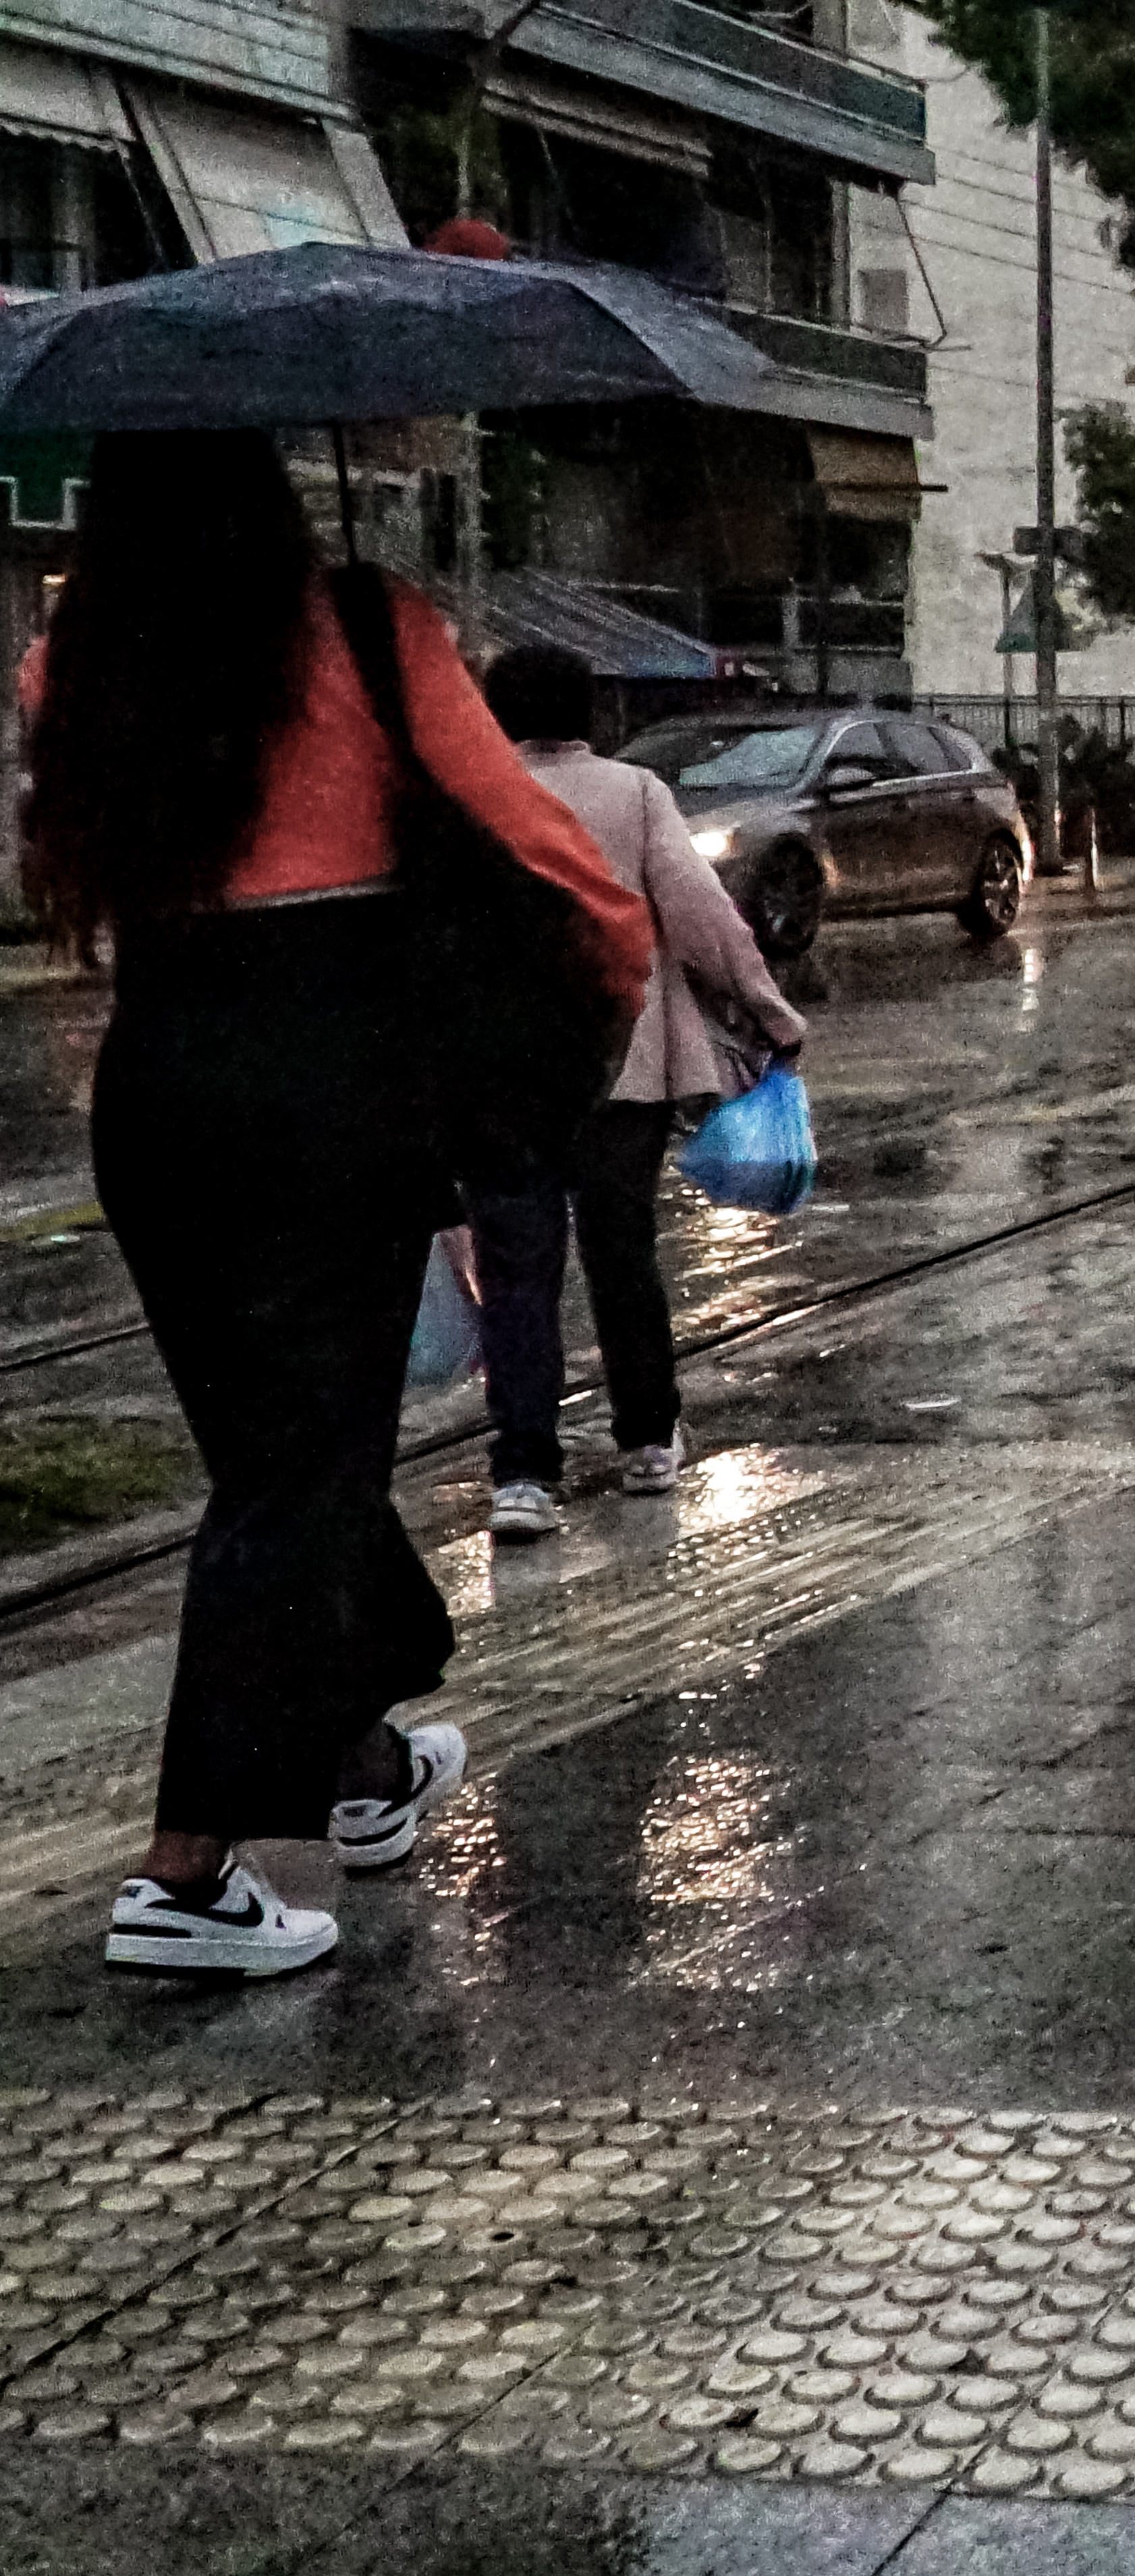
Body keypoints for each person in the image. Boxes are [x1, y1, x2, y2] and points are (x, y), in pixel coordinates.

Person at [20, 428, 648, 1979]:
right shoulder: (374, 627)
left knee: (279, 1455)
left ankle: (365, 1772)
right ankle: (184, 1875)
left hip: (158, 1087)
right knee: (296, 1475)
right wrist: (576, 1037)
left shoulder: (74, 664)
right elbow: (559, 871)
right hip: (328, 1088)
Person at [472, 644, 806, 1539]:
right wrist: (770, 1013)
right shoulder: (635, 795)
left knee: (517, 1273)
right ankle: (649, 1439)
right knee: (623, 1257)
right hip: (622, 1067)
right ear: (592, 714)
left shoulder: (466, 796)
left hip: (500, 1079)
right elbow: (702, 919)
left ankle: (524, 1474)